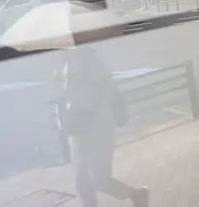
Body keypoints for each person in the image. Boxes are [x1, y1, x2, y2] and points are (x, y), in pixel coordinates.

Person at [61, 47, 148, 207]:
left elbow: (108, 92)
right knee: (82, 184)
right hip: (77, 130)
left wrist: (89, 107)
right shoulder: (68, 66)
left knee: (99, 180)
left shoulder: (93, 64)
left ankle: (137, 195)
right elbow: (71, 100)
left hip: (97, 128)